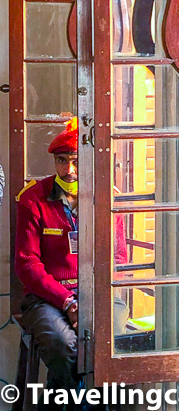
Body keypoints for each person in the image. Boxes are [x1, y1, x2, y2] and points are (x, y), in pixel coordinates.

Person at [14, 118, 129, 407]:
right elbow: (27, 265)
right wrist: (67, 302)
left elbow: (118, 258)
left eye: (76, 161)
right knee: (64, 344)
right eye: (62, 161)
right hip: (46, 299)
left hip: (101, 293)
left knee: (108, 342)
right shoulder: (33, 199)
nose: (69, 169)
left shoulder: (105, 198)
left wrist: (91, 301)